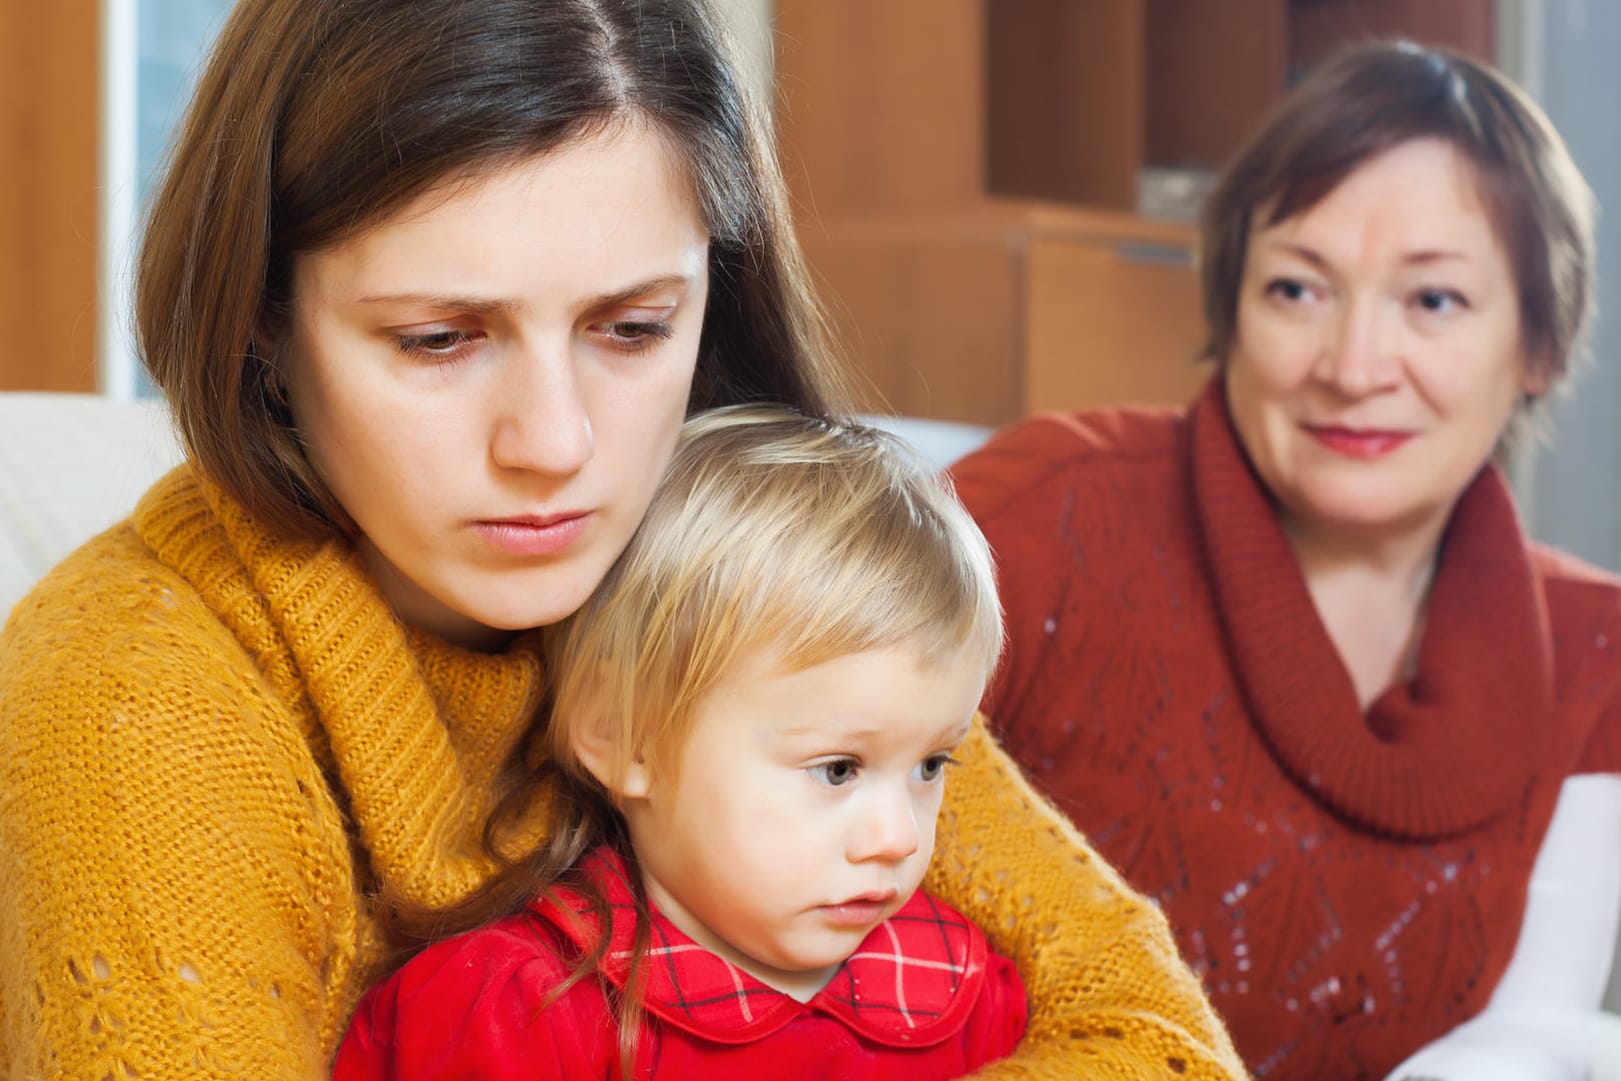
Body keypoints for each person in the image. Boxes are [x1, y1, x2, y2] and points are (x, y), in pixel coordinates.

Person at [0, 1, 1245, 1078]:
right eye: (438, 338)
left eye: (635, 327)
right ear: (262, 320)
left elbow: (1154, 1036)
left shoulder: (755, 572)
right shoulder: (126, 700)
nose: (554, 441)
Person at [951, 40, 1621, 1081]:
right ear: (1230, 306)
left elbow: (1531, 1035)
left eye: (1431, 301)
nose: (1352, 367)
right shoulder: (1036, 519)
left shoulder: (1597, 649)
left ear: (1536, 344)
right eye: (1296, 291)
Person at [334, 405, 1027, 1079]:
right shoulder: (517, 1011)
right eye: (838, 769)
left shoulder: (970, 993)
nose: (898, 836)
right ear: (624, 739)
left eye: (930, 764)